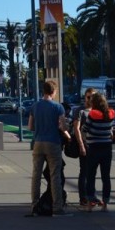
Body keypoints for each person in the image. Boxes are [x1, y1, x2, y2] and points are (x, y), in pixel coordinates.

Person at [28, 80, 71, 217]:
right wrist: (67, 130)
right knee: (55, 176)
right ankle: (57, 208)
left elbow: (30, 127)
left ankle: (35, 205)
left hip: (38, 142)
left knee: (36, 175)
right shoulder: (58, 107)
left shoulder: (35, 106)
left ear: (44, 91)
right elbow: (63, 127)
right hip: (53, 143)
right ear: (53, 91)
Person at [81, 92, 115, 212]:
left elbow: (85, 129)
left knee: (90, 175)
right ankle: (105, 203)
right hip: (107, 148)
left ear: (94, 103)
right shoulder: (111, 113)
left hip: (93, 148)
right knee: (105, 176)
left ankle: (90, 203)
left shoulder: (92, 114)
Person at [73, 88, 101, 206]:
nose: (90, 99)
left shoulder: (97, 110)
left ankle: (92, 196)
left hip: (95, 145)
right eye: (88, 96)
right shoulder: (80, 111)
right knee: (84, 172)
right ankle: (83, 197)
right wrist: (81, 145)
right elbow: (76, 129)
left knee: (93, 172)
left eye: (93, 96)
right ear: (85, 97)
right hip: (85, 144)